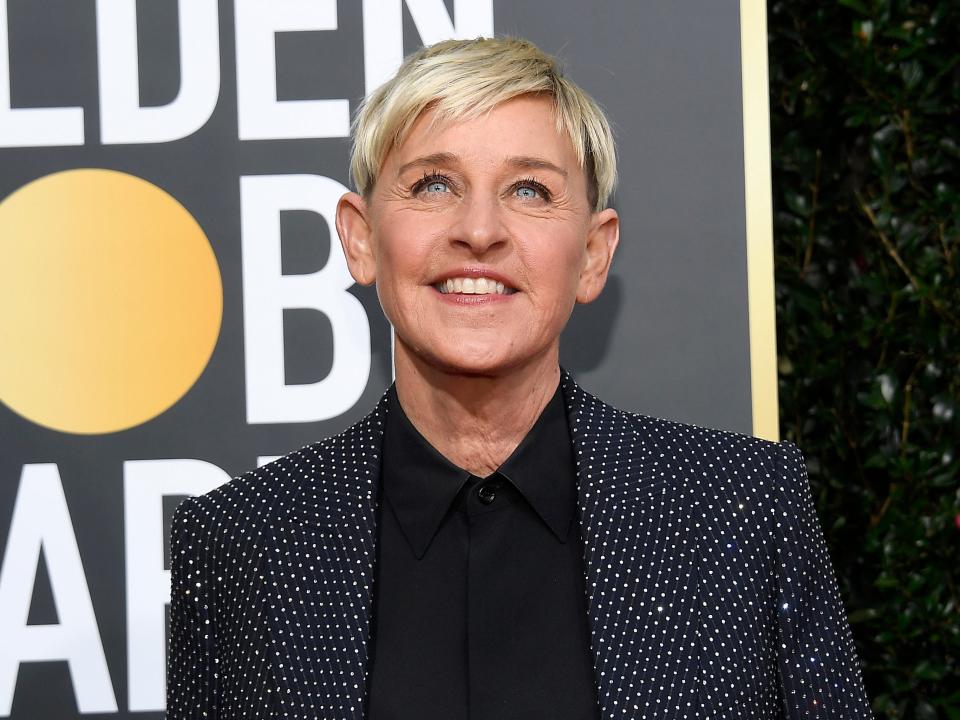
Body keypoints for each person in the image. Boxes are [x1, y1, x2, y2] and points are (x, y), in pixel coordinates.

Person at [166, 37, 872, 719]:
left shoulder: (744, 510)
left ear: (593, 255)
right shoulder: (240, 542)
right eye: (433, 184)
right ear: (359, 237)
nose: (480, 230)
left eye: (530, 190)